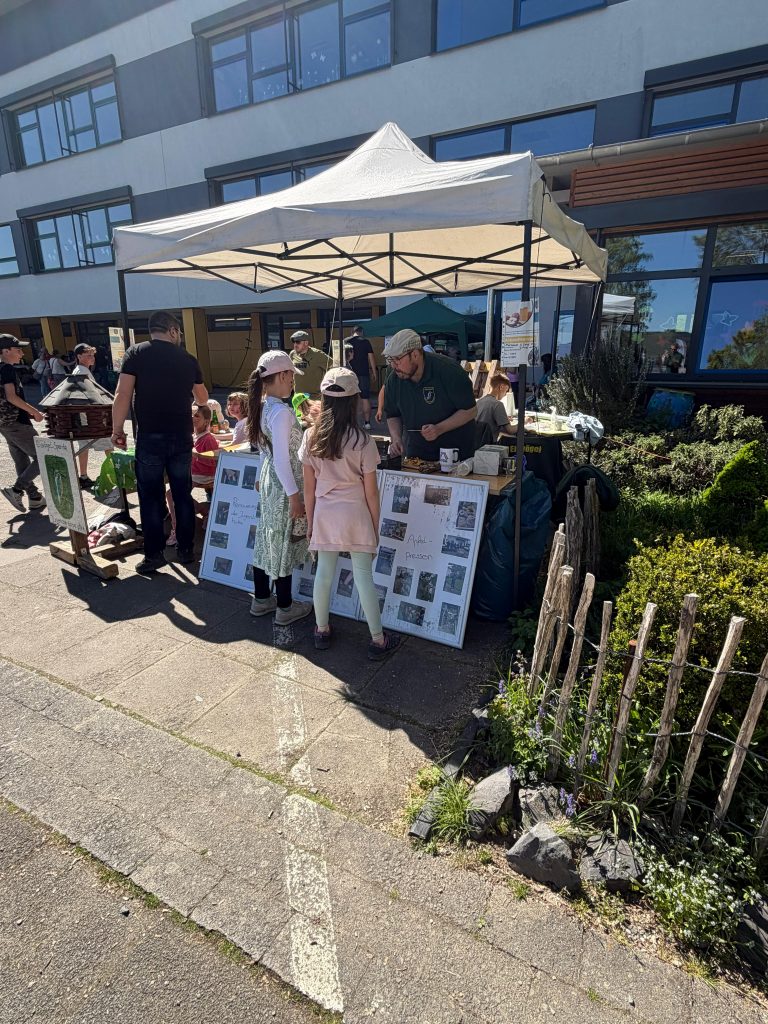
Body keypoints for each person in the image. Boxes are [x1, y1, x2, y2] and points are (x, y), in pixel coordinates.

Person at [300, 367, 401, 659]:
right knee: (363, 577)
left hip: (325, 514)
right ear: (355, 400)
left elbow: (309, 489)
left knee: (324, 574)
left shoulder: (310, 437)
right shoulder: (363, 442)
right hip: (356, 514)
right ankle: (378, 640)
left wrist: (310, 522)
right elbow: (371, 492)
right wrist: (375, 524)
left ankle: (321, 630)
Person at [111, 310, 208, 574]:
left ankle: (154, 555)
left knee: (151, 497)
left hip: (150, 435)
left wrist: (117, 429)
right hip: (180, 435)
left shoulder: (135, 353)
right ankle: (186, 549)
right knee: (182, 493)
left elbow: (122, 394)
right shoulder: (187, 358)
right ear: (174, 330)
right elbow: (202, 397)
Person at [247, 349, 312, 624]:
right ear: (283, 375)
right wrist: (295, 496)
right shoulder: (282, 412)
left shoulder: (263, 406)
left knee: (266, 538)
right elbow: (284, 460)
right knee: (285, 540)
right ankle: (284, 607)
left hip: (271, 481)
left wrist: (262, 477)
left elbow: (265, 448)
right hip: (286, 485)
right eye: (290, 377)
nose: (292, 382)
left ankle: (262, 598)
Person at [383, 329, 476, 461]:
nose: (393, 365)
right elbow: (393, 414)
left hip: (455, 454)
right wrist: (396, 438)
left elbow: (470, 410)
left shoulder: (449, 371)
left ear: (415, 354)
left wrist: (439, 428)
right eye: (390, 360)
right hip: (417, 453)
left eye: (397, 359)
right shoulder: (394, 380)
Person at [0, 334, 46, 513]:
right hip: (17, 422)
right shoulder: (7, 369)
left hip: (5, 423)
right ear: (5, 351)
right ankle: (16, 490)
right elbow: (12, 396)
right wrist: (33, 411)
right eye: (17, 349)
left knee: (21, 460)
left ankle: (34, 497)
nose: (21, 353)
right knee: (43, 456)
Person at [167, 403, 219, 546]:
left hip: (204, 474)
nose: (192, 418)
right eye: (191, 414)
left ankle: (177, 530)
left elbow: (212, 462)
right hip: (194, 472)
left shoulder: (208, 439)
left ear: (207, 421)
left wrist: (193, 455)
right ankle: (203, 511)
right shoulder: (194, 435)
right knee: (174, 490)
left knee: (172, 494)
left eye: (197, 416)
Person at [71, 343, 98, 489]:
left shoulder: (81, 370)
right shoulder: (81, 371)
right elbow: (89, 394)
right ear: (79, 356)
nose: (92, 358)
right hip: (90, 415)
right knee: (106, 442)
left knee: (84, 446)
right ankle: (116, 474)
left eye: (92, 355)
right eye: (88, 355)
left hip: (85, 414)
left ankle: (83, 476)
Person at [341, 325, 377, 428]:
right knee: (365, 397)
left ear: (352, 332)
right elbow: (371, 358)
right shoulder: (365, 342)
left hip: (347, 373)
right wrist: (374, 372)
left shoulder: (345, 341)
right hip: (363, 374)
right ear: (361, 332)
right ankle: (367, 423)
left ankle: (351, 423)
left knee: (349, 398)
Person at [288, 330, 331, 399]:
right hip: (298, 397)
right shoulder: (292, 354)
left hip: (314, 397)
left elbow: (333, 367)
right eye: (294, 342)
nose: (295, 345)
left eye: (298, 342)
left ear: (306, 343)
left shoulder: (317, 354)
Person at [476, 373, 515, 439]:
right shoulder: (497, 404)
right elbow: (510, 430)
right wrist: (523, 423)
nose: (505, 394)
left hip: (475, 442)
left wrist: (504, 419)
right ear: (501, 387)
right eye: (506, 391)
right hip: (488, 444)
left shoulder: (479, 401)